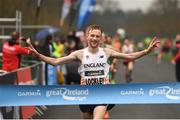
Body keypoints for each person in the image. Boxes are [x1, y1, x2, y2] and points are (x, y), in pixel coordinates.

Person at [27, 25, 159, 119]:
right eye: (92, 36)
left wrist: (146, 51)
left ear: (101, 39)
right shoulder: (79, 54)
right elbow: (55, 62)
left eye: (97, 36)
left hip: (103, 93)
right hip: (85, 95)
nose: (95, 38)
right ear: (87, 37)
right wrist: (38, 55)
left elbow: (129, 56)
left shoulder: (107, 52)